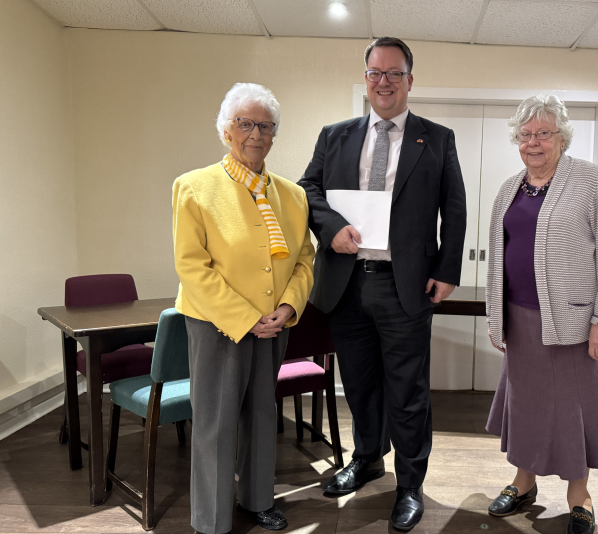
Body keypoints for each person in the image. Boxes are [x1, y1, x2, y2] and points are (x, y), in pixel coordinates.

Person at [298, 37, 466, 531]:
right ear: (366, 79)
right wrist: (332, 230)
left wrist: (447, 270)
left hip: (404, 286)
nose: (384, 82)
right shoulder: (335, 136)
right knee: (361, 385)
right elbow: (307, 190)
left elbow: (453, 210)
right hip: (347, 285)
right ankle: (368, 458)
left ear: (410, 80)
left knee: (408, 391)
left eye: (394, 73)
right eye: (375, 73)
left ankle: (410, 484)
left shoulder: (436, 138)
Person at [172, 83, 314, 534]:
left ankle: (257, 500)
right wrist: (245, 317)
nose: (255, 133)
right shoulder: (194, 187)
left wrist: (288, 308)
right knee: (215, 423)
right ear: (226, 130)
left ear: (274, 134)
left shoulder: (293, 195)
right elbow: (192, 267)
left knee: (261, 415)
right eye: (245, 123)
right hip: (218, 326)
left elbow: (305, 259)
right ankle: (211, 520)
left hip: (274, 325)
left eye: (265, 125)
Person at [484, 94, 598, 534]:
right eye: (526, 134)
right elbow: (499, 256)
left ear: (560, 138)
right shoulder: (510, 188)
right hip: (521, 318)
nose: (534, 142)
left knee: (575, 409)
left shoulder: (590, 180)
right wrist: (497, 315)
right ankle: (523, 482)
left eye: (543, 133)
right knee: (525, 404)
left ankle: (578, 495)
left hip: (576, 323)